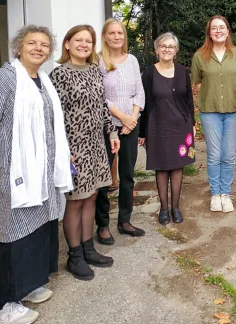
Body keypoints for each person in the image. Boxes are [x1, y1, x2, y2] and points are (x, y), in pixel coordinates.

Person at [0, 25, 71, 324]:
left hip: (43, 172)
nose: (38, 48)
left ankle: (28, 286)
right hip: (16, 172)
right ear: (19, 47)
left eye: (43, 44)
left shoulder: (41, 81)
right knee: (15, 235)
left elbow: (50, 126)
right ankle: (1, 307)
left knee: (40, 230)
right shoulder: (2, 80)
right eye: (31, 43)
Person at [50, 25, 119, 280]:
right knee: (75, 201)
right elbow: (53, 117)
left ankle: (88, 248)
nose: (83, 44)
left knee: (91, 197)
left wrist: (112, 133)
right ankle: (75, 256)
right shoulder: (59, 75)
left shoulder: (93, 71)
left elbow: (102, 107)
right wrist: (62, 150)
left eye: (88, 41)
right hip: (74, 149)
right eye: (78, 40)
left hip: (96, 146)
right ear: (67, 44)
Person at [95, 18, 146, 242]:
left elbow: (139, 93)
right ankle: (102, 224)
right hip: (107, 125)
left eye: (120, 33)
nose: (117, 37)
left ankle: (124, 220)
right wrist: (122, 117)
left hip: (130, 126)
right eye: (112, 33)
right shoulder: (98, 61)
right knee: (105, 176)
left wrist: (132, 119)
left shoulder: (132, 60)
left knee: (127, 175)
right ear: (105, 36)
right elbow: (100, 97)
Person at [139, 32, 195, 224]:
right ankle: (163, 209)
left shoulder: (182, 71)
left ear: (176, 51)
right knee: (161, 167)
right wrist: (142, 132)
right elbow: (144, 103)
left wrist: (193, 124)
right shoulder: (149, 73)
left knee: (177, 166)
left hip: (180, 126)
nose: (167, 49)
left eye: (171, 46)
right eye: (163, 46)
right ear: (157, 50)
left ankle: (176, 207)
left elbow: (189, 100)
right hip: (157, 127)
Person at [191, 15, 236, 213]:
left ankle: (226, 194)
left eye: (222, 27)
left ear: (228, 31)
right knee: (214, 155)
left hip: (232, 111)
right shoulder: (199, 56)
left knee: (229, 156)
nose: (218, 31)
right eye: (214, 28)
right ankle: (215, 194)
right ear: (209, 33)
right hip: (210, 112)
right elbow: (196, 83)